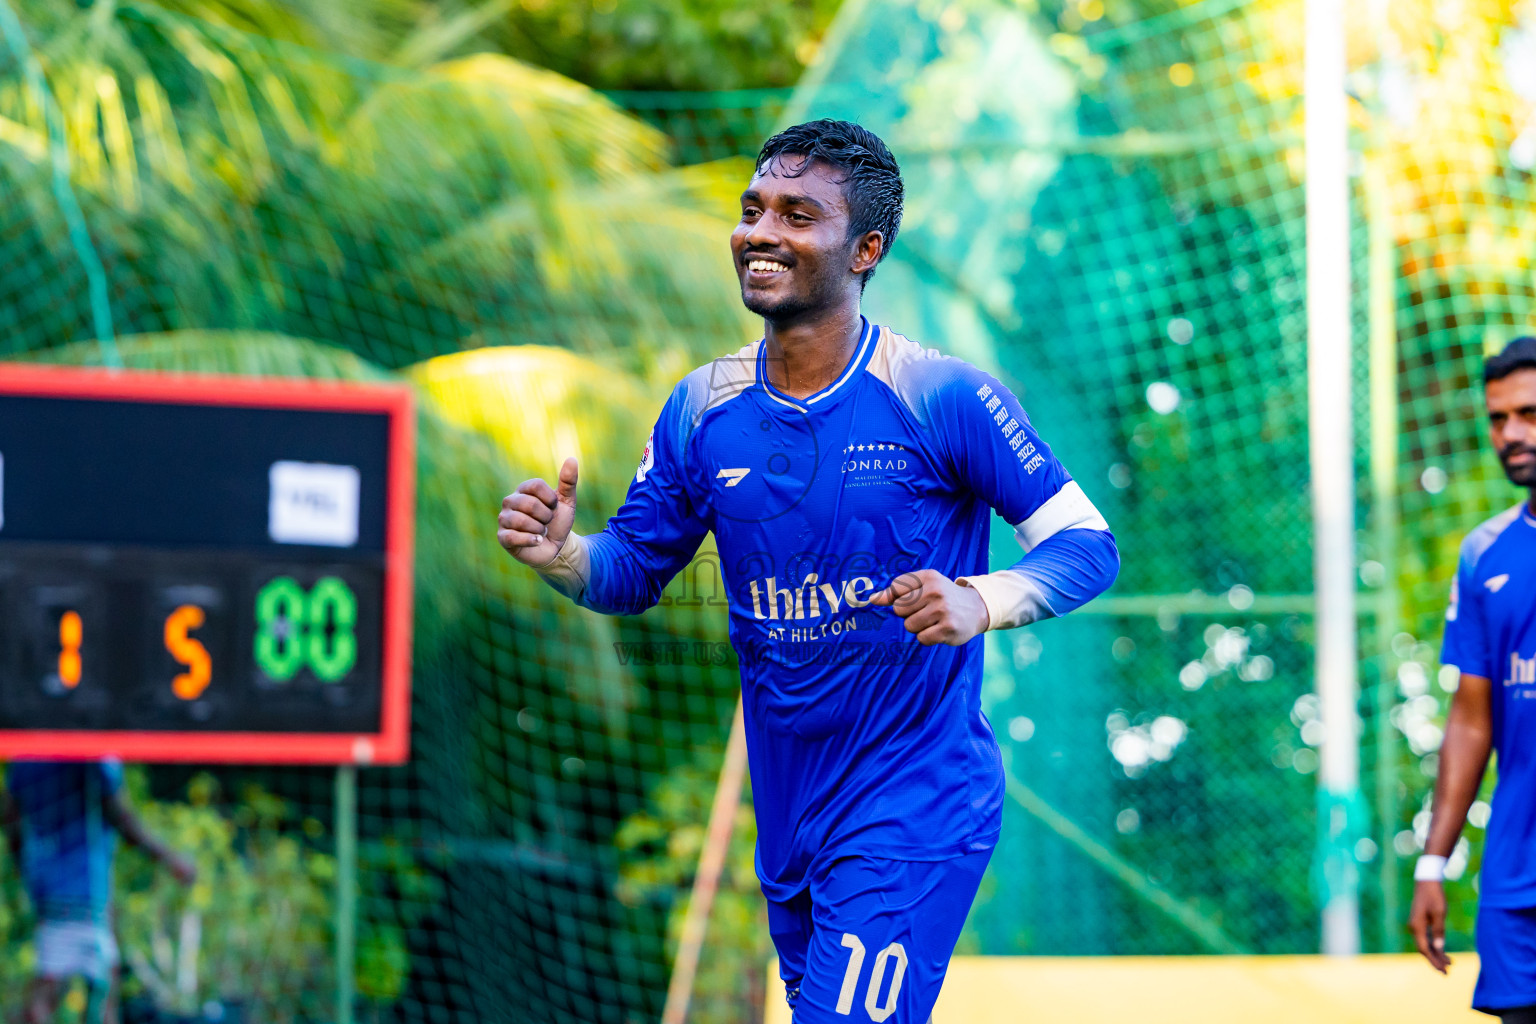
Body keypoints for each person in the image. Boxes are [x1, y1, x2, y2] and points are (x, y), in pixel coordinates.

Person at [498, 119, 1119, 1022]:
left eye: (798, 215)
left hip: (912, 806)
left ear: (865, 249)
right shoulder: (704, 406)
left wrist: (980, 600)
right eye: (753, 210)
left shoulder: (943, 395)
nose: (762, 233)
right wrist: (565, 556)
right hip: (789, 819)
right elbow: (631, 571)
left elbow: (1086, 543)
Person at [1411, 335, 1536, 1022]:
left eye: (1529, 413)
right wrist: (1433, 862)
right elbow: (1471, 717)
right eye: (1498, 418)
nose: (1511, 434)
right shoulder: (1484, 553)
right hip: (1517, 888)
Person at [1, 759, 197, 1024]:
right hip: (87, 890)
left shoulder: (27, 750)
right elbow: (118, 812)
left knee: (51, 988)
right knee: (98, 991)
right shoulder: (94, 746)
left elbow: (11, 813)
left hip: (47, 888)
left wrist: (25, 869)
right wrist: (171, 859)